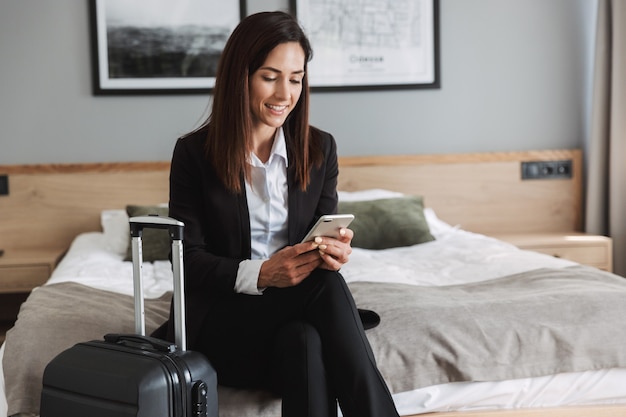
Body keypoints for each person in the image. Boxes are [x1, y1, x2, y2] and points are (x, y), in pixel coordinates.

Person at [157, 10, 400, 417]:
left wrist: (333, 254)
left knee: (305, 340)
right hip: (223, 321)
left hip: (293, 316)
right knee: (322, 291)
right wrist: (263, 273)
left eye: (295, 78)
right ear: (241, 76)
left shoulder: (320, 150)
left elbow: (321, 241)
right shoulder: (194, 155)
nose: (285, 93)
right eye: (270, 76)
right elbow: (186, 261)